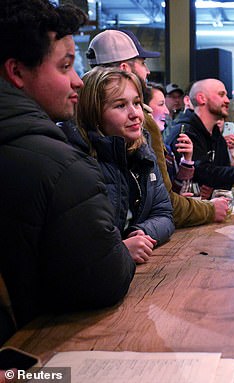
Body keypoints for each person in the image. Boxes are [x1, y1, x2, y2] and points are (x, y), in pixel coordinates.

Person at [0, 0, 135, 344]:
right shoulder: (63, 167)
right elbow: (105, 280)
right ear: (16, 72)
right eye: (65, 67)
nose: (77, 81)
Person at [87, 29, 227, 226]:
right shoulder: (140, 122)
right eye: (143, 63)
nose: (148, 71)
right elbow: (166, 205)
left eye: (136, 103)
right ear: (126, 68)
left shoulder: (78, 119)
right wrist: (210, 210)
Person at [76, 67, 175, 263]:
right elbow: (74, 241)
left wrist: (140, 232)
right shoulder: (78, 161)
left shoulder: (143, 151)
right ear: (94, 113)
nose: (135, 114)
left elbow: (164, 213)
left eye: (137, 103)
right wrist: (119, 250)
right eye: (121, 105)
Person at [146, 82, 195, 195]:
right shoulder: (139, 150)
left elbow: (171, 193)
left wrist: (187, 160)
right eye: (160, 104)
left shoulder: (165, 150)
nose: (167, 111)